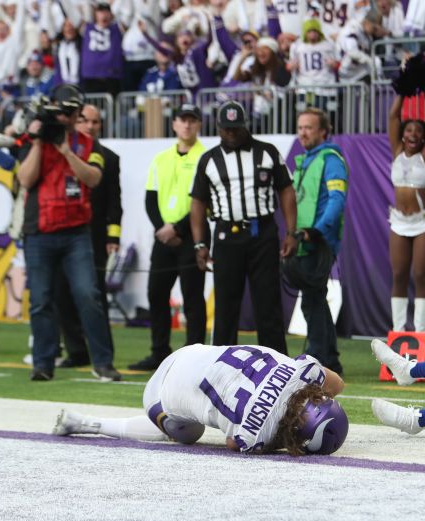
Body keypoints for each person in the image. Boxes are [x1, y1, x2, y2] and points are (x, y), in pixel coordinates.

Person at [53, 344, 350, 455]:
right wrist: (281, 437)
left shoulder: (304, 370)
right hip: (158, 393)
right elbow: (234, 443)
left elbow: (338, 383)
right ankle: (93, 424)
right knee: (190, 434)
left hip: (188, 352)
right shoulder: (256, 435)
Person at [15, 94, 122, 382]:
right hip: (39, 231)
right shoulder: (33, 138)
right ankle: (43, 363)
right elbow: (25, 180)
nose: (69, 120)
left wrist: (66, 151)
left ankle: (102, 362)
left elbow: (93, 179)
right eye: (65, 114)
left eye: (73, 114)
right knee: (41, 300)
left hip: (76, 232)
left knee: (88, 294)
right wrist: (39, 142)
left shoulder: (87, 143)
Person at [190, 101, 297, 355]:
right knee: (226, 305)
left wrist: (291, 232)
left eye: (236, 129)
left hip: (263, 233)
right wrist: (200, 243)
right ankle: (222, 367)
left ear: (245, 125)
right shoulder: (209, 160)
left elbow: (286, 190)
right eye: (227, 129)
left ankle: (278, 365)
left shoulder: (268, 152)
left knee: (268, 303)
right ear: (218, 128)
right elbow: (197, 203)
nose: (232, 134)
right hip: (226, 235)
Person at [131, 103, 209, 372]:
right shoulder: (161, 158)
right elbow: (150, 198)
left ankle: (194, 357)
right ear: (174, 124)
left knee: (192, 296)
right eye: (182, 120)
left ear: (198, 125)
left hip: (192, 235)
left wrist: (177, 228)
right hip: (163, 237)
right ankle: (159, 351)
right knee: (156, 293)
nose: (187, 125)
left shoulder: (206, 157)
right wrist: (162, 229)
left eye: (192, 120)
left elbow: (204, 200)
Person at [54, 103, 123, 368]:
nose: (90, 126)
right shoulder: (62, 151)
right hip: (63, 230)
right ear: (75, 122)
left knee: (93, 295)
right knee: (61, 292)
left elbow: (114, 202)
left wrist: (113, 236)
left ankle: (103, 355)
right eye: (84, 120)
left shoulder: (109, 157)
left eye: (95, 122)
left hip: (94, 235)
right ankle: (76, 351)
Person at [284, 107, 347, 375]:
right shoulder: (305, 160)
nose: (303, 132)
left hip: (318, 241)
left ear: (324, 131)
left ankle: (320, 357)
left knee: (312, 299)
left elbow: (337, 200)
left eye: (308, 127)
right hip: (304, 239)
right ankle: (328, 357)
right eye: (300, 127)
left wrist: (318, 231)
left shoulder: (331, 159)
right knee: (314, 299)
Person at [386, 91, 425, 335]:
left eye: (418, 132)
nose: (413, 135)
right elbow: (392, 116)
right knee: (399, 274)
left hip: (423, 222)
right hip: (399, 221)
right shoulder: (397, 151)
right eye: (408, 130)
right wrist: (403, 89)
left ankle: (420, 333)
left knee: (420, 274)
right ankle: (398, 331)